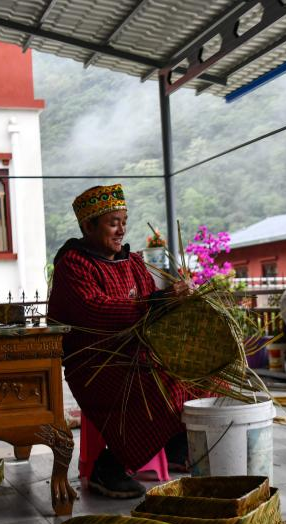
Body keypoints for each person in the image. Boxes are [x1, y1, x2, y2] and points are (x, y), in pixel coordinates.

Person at [48, 184, 192, 498]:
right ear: (88, 226)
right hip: (96, 362)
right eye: (113, 222)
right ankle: (108, 467)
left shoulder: (134, 263)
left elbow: (151, 304)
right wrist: (159, 302)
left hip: (137, 352)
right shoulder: (73, 264)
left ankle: (176, 446)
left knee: (197, 371)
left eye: (124, 221)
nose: (121, 229)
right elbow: (93, 310)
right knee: (162, 390)